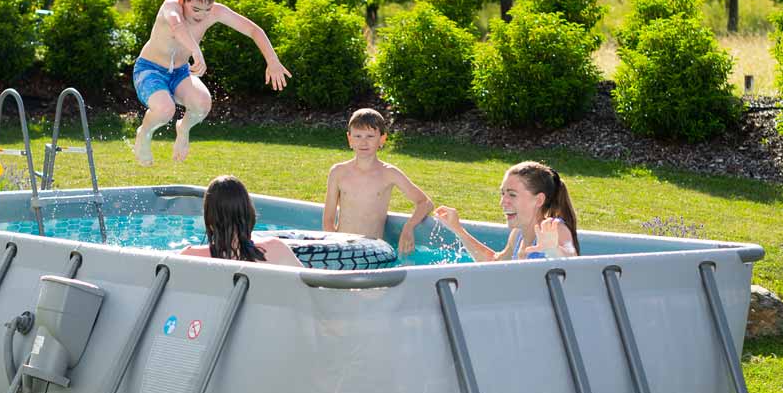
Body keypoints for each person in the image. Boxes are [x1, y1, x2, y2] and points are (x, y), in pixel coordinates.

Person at [132, 0, 291, 166]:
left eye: (207, 9)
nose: (202, 15)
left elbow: (253, 30)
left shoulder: (216, 11)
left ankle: (184, 129)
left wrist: (273, 60)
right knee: (164, 110)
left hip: (179, 71)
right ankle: (143, 134)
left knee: (202, 104)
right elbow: (178, 28)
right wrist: (196, 51)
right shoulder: (171, 7)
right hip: (150, 70)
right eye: (196, 9)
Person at [322, 108, 434, 255]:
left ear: (382, 139)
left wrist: (408, 228)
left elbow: (425, 203)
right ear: (350, 139)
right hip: (342, 246)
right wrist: (334, 248)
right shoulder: (338, 172)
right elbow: (328, 220)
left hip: (373, 250)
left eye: (370, 136)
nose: (363, 142)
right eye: (358, 136)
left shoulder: (389, 173)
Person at [435, 161, 580, 261]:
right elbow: (493, 262)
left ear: (538, 200)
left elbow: (572, 260)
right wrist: (458, 229)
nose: (503, 202)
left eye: (512, 194)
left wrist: (553, 250)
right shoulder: (517, 235)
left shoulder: (554, 228)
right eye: (503, 194)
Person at [180, 175, 303, 267]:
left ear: (210, 220)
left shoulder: (190, 257)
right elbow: (311, 292)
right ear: (248, 214)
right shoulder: (277, 249)